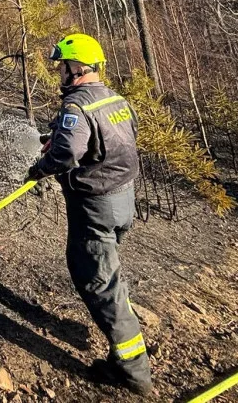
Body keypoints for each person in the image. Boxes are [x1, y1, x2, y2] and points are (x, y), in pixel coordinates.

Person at [27, 33, 152, 396]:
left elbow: (66, 154)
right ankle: (129, 337)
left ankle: (133, 371)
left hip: (94, 205)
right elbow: (115, 139)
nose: (59, 73)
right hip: (123, 201)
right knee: (109, 272)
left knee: (98, 281)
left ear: (78, 68)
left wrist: (40, 169)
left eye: (63, 66)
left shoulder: (76, 107)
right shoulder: (115, 99)